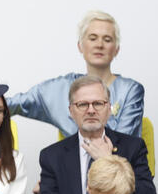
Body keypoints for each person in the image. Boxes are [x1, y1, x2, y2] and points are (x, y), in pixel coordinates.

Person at [9, 10, 146, 139]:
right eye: (92, 38)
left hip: (116, 163)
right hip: (74, 163)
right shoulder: (60, 89)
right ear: (80, 46)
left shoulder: (129, 91)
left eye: (107, 39)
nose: (99, 44)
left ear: (116, 49)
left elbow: (124, 144)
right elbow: (11, 104)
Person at [34, 76, 154, 194]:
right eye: (83, 104)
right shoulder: (52, 156)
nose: (91, 110)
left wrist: (109, 162)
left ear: (109, 109)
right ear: (71, 111)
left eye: (98, 103)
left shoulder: (133, 147)